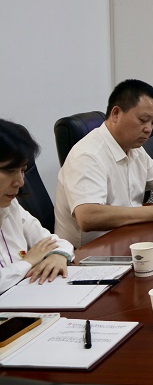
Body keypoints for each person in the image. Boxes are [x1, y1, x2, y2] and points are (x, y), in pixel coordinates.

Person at [55, 79, 153, 248]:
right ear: (116, 114)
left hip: (128, 242)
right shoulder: (88, 155)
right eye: (143, 120)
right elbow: (87, 216)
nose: (148, 129)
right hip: (88, 255)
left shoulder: (135, 149)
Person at [0, 119, 75, 293]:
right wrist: (28, 262)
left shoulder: (10, 207)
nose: (20, 182)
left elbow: (55, 242)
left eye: (22, 170)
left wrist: (59, 255)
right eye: (10, 171)